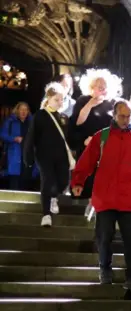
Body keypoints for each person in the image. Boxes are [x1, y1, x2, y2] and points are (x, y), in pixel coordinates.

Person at [70, 99, 131, 292]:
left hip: (129, 199)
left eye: (128, 116)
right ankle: (105, 271)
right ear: (114, 115)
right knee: (104, 237)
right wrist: (78, 182)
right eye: (122, 116)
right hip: (105, 198)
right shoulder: (102, 137)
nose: (125, 119)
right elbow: (86, 161)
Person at [68, 69, 121, 214]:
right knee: (88, 177)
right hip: (87, 145)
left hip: (107, 146)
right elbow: (77, 122)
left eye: (104, 86)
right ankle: (89, 204)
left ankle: (96, 204)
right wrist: (90, 105)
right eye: (98, 85)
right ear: (91, 87)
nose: (102, 88)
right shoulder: (83, 100)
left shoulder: (113, 103)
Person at [23, 83, 76, 227]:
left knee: (64, 181)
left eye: (62, 100)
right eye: (56, 99)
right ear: (49, 99)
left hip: (61, 156)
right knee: (48, 181)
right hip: (44, 155)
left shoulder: (64, 117)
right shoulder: (41, 115)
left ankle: (54, 197)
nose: (60, 103)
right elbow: (31, 136)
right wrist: (28, 156)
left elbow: (69, 137)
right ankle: (46, 214)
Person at [0, 102, 37, 190]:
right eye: (21, 109)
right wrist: (14, 138)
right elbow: (2, 134)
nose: (23, 112)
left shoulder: (32, 122)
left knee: (26, 182)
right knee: (14, 181)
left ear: (28, 111)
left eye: (26, 110)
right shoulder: (10, 121)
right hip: (14, 154)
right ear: (17, 110)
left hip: (28, 156)